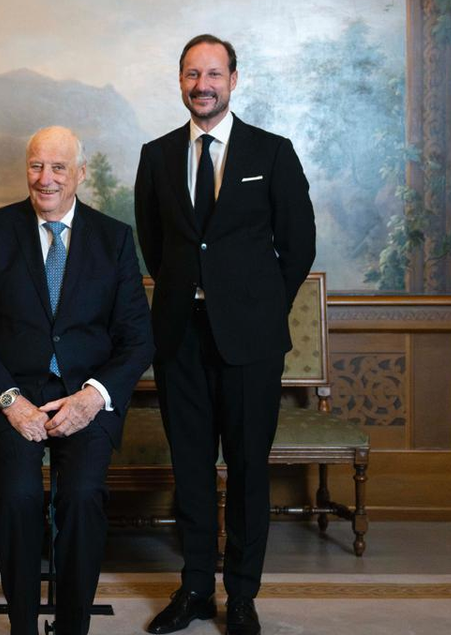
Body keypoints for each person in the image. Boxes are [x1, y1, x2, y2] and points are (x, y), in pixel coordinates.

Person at [135, 35, 316, 635]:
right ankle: (193, 591)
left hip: (251, 344)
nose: (202, 85)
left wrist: (258, 309)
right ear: (180, 81)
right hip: (180, 338)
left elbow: (298, 246)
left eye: (213, 73)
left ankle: (241, 595)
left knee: (245, 470)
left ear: (234, 79)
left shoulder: (273, 151)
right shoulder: (156, 156)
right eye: (192, 74)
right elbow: (156, 246)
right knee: (189, 469)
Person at [0, 126, 154, 635]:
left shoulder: (114, 239)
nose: (46, 179)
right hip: (11, 395)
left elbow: (138, 339)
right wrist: (9, 401)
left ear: (80, 174)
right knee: (19, 498)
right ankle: (22, 625)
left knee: (82, 497)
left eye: (59, 167)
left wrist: (94, 397)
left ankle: (72, 627)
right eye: (37, 166)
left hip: (86, 397)